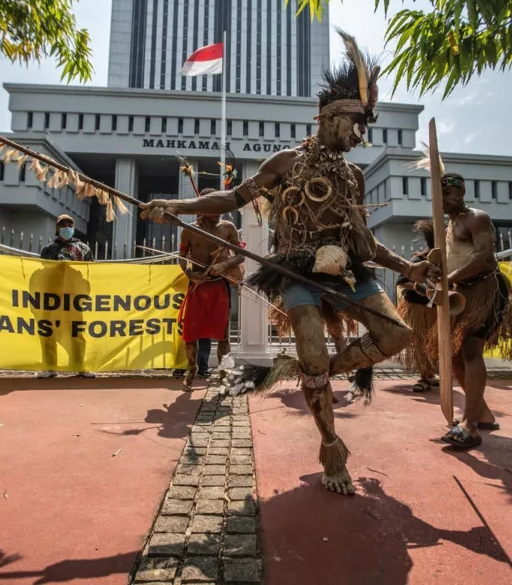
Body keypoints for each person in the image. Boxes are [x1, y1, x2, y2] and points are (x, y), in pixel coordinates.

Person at [142, 30, 438, 495]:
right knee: (314, 352)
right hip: (297, 271)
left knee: (397, 335)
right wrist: (177, 208)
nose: (361, 135)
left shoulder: (354, 177)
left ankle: (313, 370)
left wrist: (409, 269)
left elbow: (366, 245)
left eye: (366, 126)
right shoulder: (286, 162)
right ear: (331, 117)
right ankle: (331, 445)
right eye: (357, 123)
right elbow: (234, 198)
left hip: (347, 272)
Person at [434, 172, 512, 449]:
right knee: (454, 356)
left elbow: (485, 258)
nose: (444, 199)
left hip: (485, 291)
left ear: (462, 191)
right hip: (462, 293)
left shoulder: (476, 218)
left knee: (469, 351)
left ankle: (470, 425)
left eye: (449, 193)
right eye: (439, 195)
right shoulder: (449, 227)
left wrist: (450, 277)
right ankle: (483, 413)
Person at [176, 188, 245, 390]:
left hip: (219, 287)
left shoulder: (228, 227)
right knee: (190, 333)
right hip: (197, 286)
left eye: (220, 208)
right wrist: (190, 274)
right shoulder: (188, 230)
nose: (217, 213)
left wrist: (223, 266)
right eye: (212, 208)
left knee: (224, 335)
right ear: (202, 208)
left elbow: (240, 255)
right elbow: (181, 256)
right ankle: (192, 369)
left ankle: (224, 373)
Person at [36, 214, 95, 379]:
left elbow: (91, 271)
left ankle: (80, 366)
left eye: (69, 224)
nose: (66, 227)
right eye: (63, 225)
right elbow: (44, 272)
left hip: (74, 298)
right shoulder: (48, 249)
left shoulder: (83, 249)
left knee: (76, 332)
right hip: (53, 297)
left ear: (74, 227)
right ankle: (49, 367)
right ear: (57, 228)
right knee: (48, 331)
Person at [396, 220, 439, 393]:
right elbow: (401, 281)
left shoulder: (446, 261)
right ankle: (423, 376)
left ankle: (430, 374)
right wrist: (418, 286)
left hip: (437, 309)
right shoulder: (418, 259)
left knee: (436, 343)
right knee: (421, 343)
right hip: (417, 308)